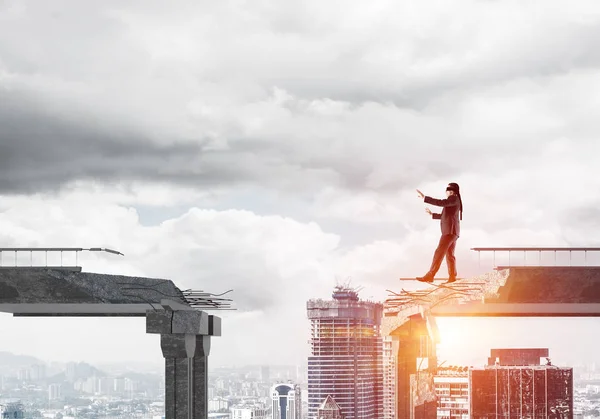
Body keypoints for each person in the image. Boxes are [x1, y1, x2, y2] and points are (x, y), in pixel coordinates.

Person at [415, 182, 463, 283]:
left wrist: (425, 198)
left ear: (451, 191)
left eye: (447, 191)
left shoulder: (453, 198)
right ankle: (452, 277)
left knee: (439, 252)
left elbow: (441, 202)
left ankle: (430, 275)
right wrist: (432, 214)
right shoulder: (455, 200)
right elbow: (445, 216)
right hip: (453, 231)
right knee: (449, 255)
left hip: (449, 231)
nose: (446, 193)